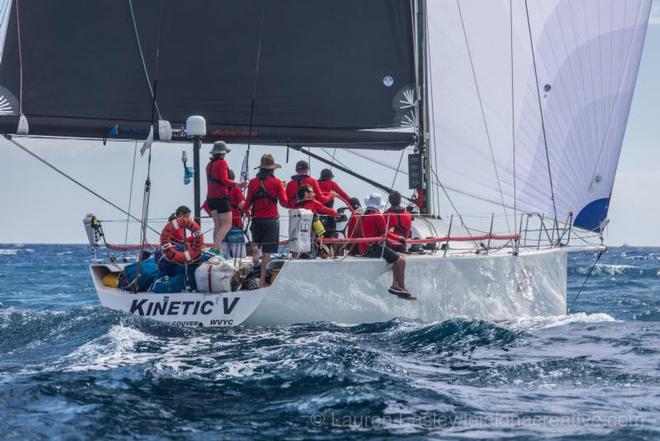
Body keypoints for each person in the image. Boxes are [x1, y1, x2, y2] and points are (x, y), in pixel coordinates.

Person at [240, 154, 288, 288]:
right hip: (271, 220)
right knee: (267, 254)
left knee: (257, 243)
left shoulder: (253, 183)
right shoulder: (277, 182)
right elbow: (284, 203)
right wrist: (283, 188)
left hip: (257, 220)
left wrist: (242, 204)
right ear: (272, 169)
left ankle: (255, 248)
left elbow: (247, 205)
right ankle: (262, 282)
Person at [358, 193, 413, 299]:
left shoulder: (364, 215)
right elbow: (386, 232)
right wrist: (399, 238)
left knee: (398, 257)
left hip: (364, 248)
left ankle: (398, 286)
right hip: (373, 248)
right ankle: (398, 286)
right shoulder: (378, 216)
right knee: (401, 260)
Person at [205, 140, 246, 252]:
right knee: (227, 224)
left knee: (217, 225)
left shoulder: (209, 165)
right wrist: (237, 184)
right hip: (221, 197)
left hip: (210, 198)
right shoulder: (222, 163)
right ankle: (216, 248)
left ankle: (216, 249)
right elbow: (224, 179)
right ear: (223, 153)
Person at [318, 168, 351, 239]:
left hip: (316, 217)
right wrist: (351, 202)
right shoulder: (331, 183)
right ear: (330, 177)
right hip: (329, 217)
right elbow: (342, 194)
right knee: (331, 238)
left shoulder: (315, 183)